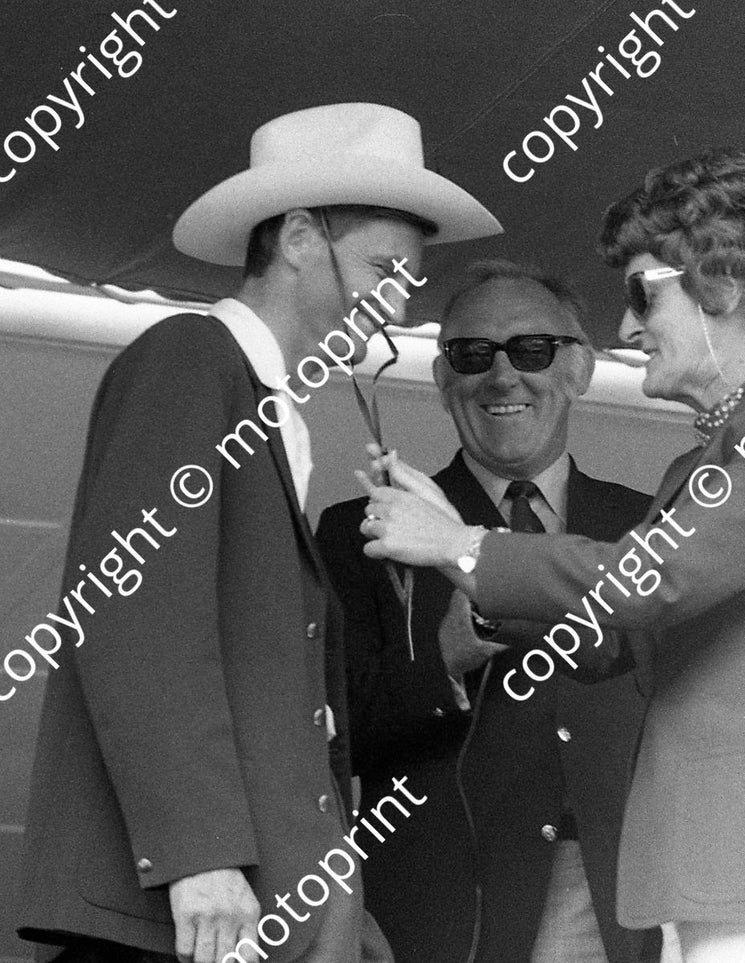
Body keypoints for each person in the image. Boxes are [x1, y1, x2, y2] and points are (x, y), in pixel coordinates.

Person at [354, 149, 745, 963]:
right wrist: (456, 553)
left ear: (724, 284)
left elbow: (651, 582)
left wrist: (465, 543)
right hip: (718, 860)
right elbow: (618, 641)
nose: (629, 329)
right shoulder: (713, 457)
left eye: (645, 295)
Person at [15, 102, 499, 963]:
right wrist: (198, 852)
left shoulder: (273, 404)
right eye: (383, 269)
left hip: (272, 899)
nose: (395, 303)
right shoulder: (190, 358)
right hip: (190, 903)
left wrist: (331, 889)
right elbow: (136, 618)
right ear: (299, 237)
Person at [314, 258, 657, 963]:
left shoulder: (645, 525)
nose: (503, 376)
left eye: (531, 350)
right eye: (472, 354)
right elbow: (329, 734)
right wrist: (442, 662)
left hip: (616, 896)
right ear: (443, 381)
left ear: (582, 369)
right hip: (442, 907)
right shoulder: (368, 527)